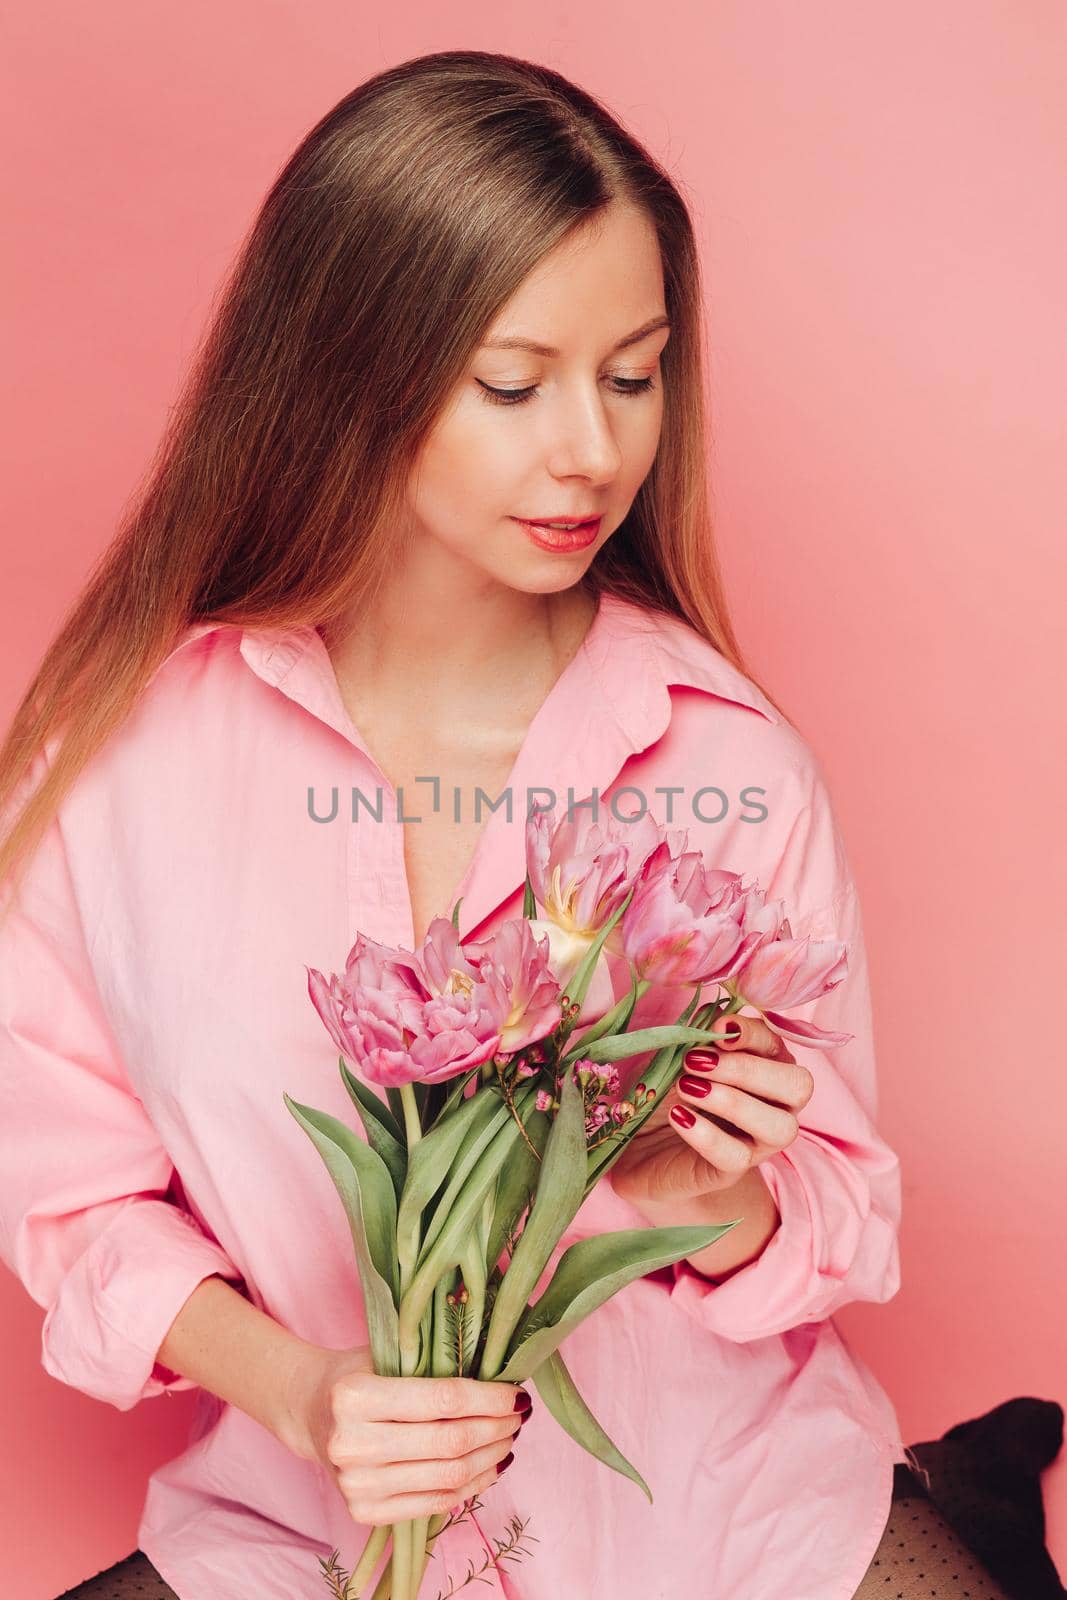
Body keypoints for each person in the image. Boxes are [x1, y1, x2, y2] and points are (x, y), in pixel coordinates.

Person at [0, 49, 1013, 1600]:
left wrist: (721, 1201)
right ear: (356, 368)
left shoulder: (727, 762)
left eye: (633, 373)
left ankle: (968, 1496)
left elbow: (843, 1204)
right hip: (307, 1529)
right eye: (514, 383)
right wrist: (300, 1392)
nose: (594, 453)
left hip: (718, 1519)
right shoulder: (117, 765)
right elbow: (68, 1198)